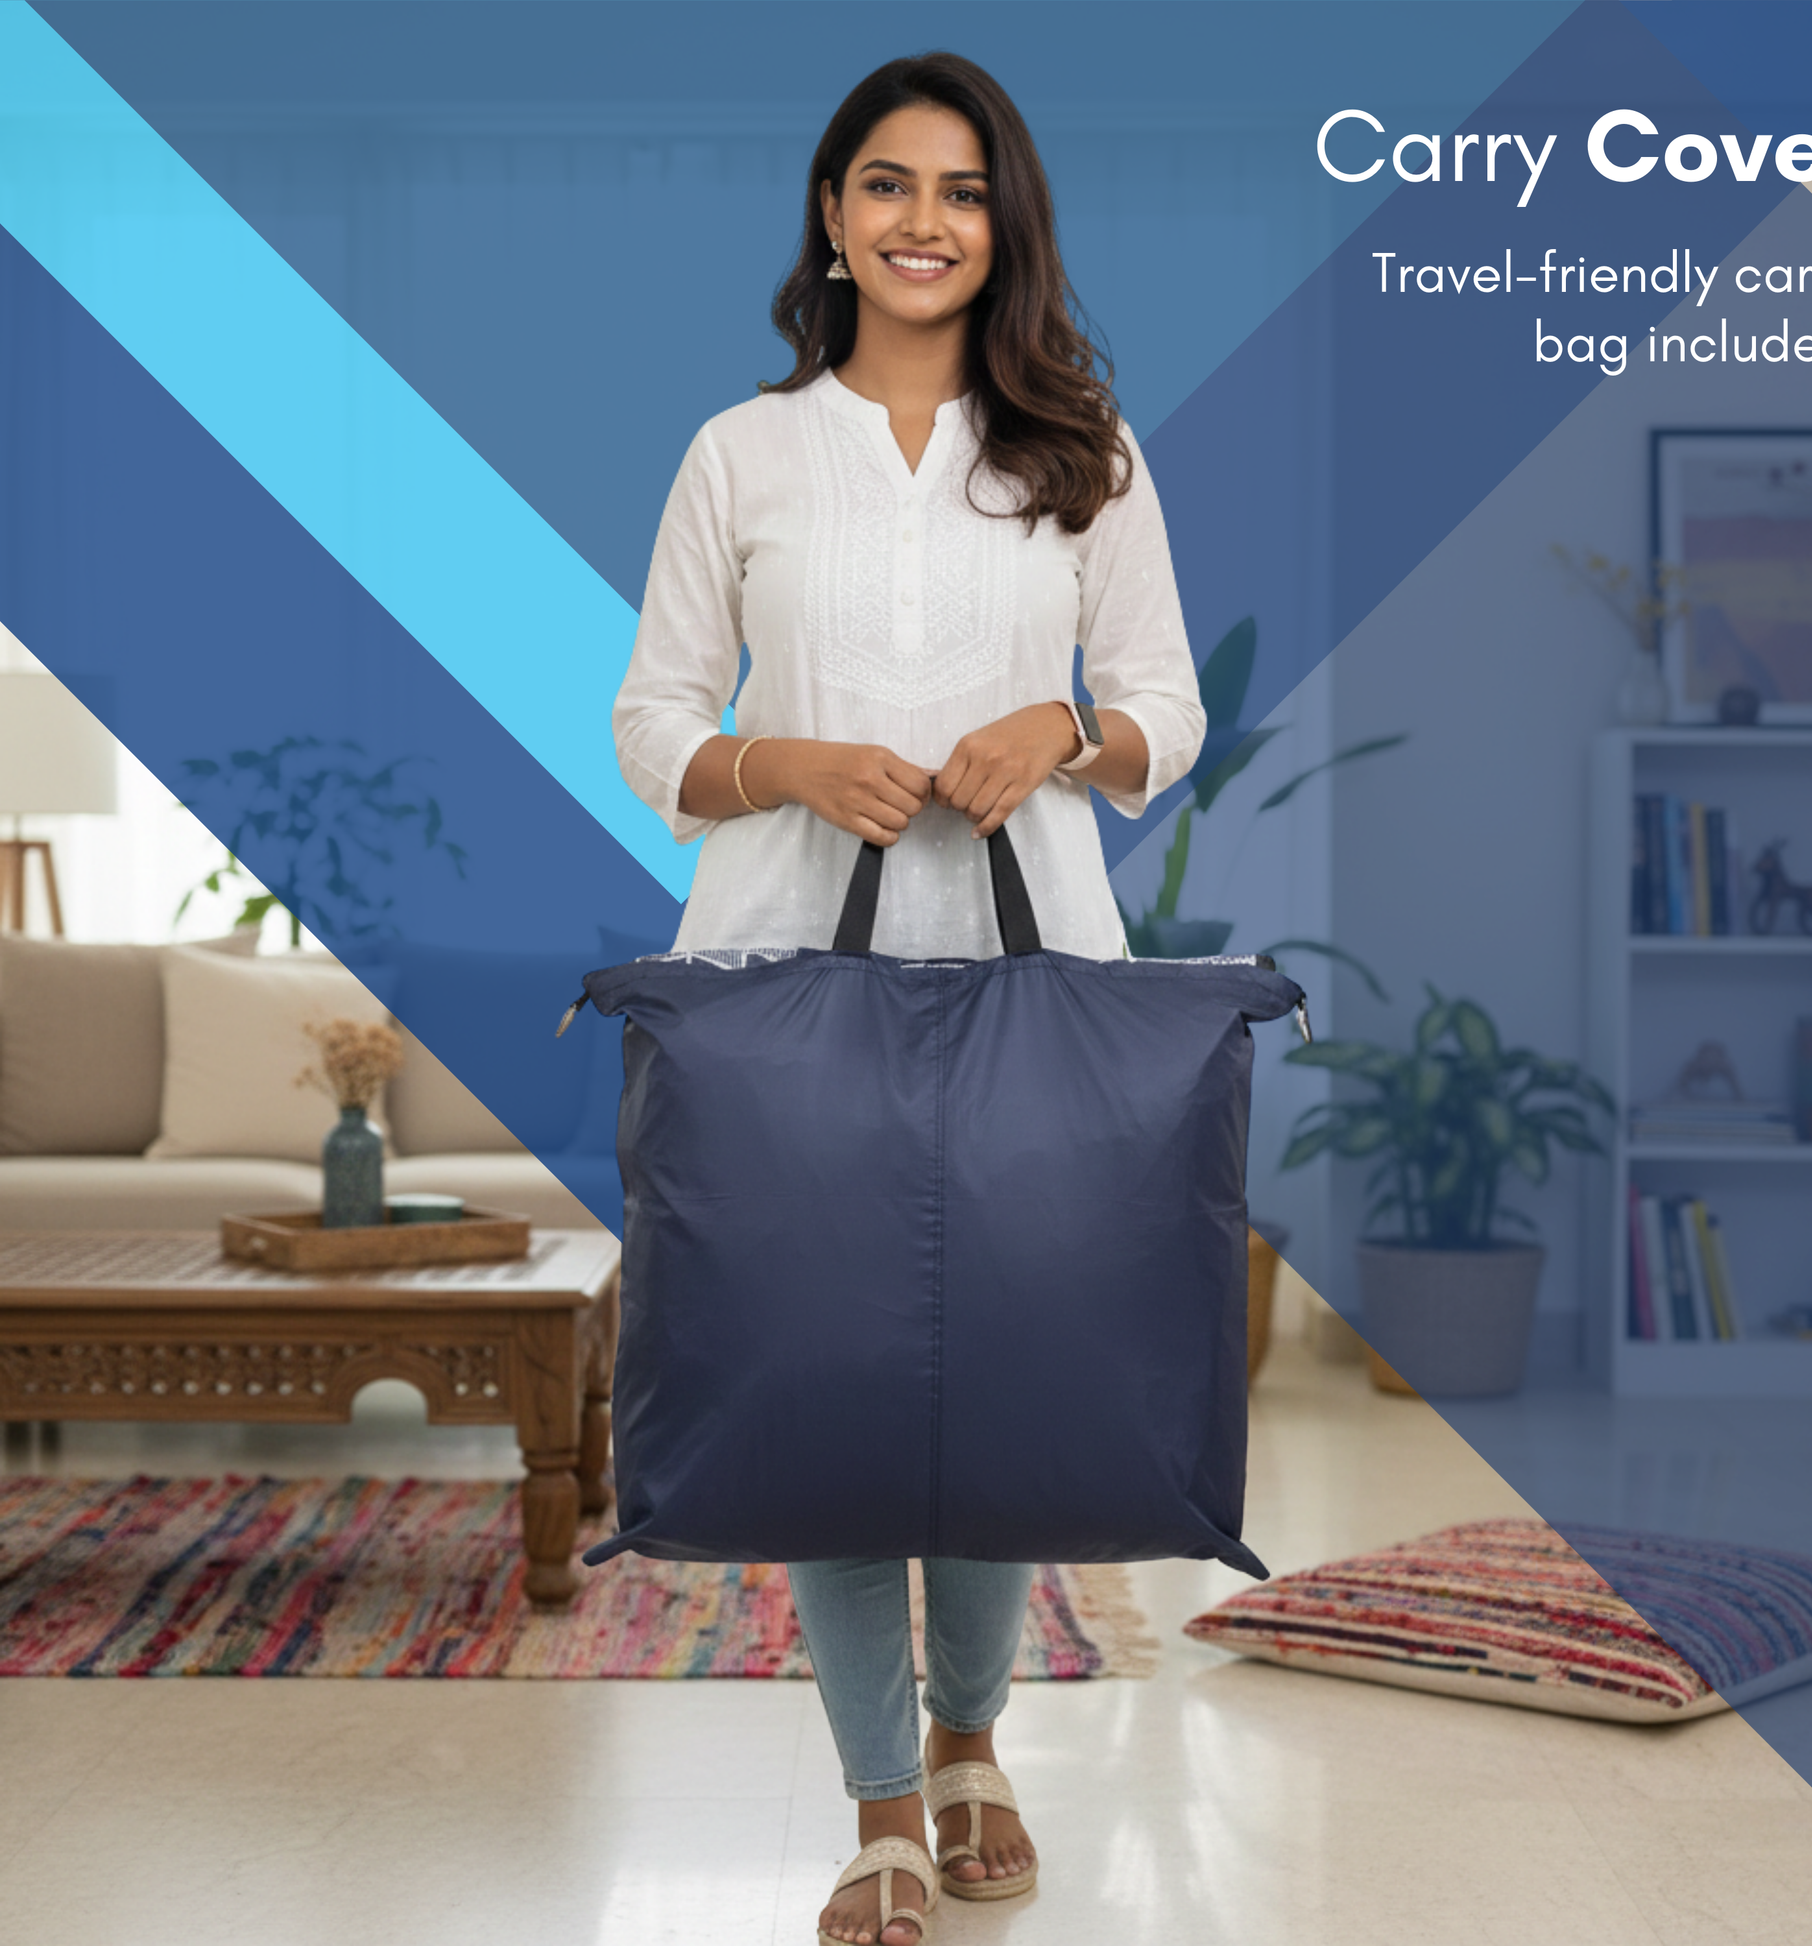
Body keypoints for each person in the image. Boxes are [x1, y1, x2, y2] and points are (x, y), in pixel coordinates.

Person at [612, 50, 1203, 1946]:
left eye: (958, 189)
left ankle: (970, 1742)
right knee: (829, 1387)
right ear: (832, 214)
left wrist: (1072, 727)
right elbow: (649, 722)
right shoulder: (741, 451)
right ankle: (877, 1800)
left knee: (1010, 1373)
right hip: (783, 981)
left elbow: (1171, 710)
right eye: (885, 183)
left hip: (1035, 972)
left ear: (1000, 221)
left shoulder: (1085, 450)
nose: (921, 220)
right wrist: (775, 763)